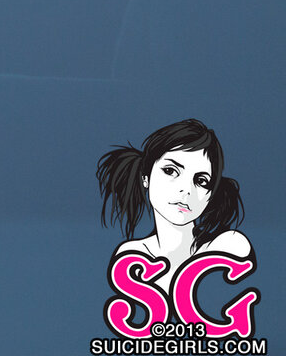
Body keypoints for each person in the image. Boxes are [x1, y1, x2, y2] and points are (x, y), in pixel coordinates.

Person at [98, 119, 250, 291]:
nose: (186, 190)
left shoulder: (228, 246)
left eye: (201, 181)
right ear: (145, 177)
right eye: (170, 171)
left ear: (211, 194)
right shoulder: (132, 255)